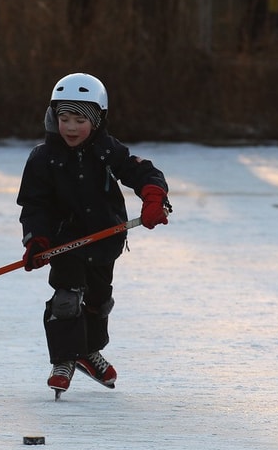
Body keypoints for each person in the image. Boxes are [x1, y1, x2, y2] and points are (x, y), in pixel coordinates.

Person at [16, 73, 171, 397]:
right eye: (64, 118)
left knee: (98, 302)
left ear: (98, 120)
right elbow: (34, 206)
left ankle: (88, 352)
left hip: (104, 239)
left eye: (80, 120)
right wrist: (37, 239)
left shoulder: (106, 150)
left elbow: (142, 171)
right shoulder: (44, 158)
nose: (71, 128)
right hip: (64, 243)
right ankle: (63, 360)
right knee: (67, 298)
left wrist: (154, 196)